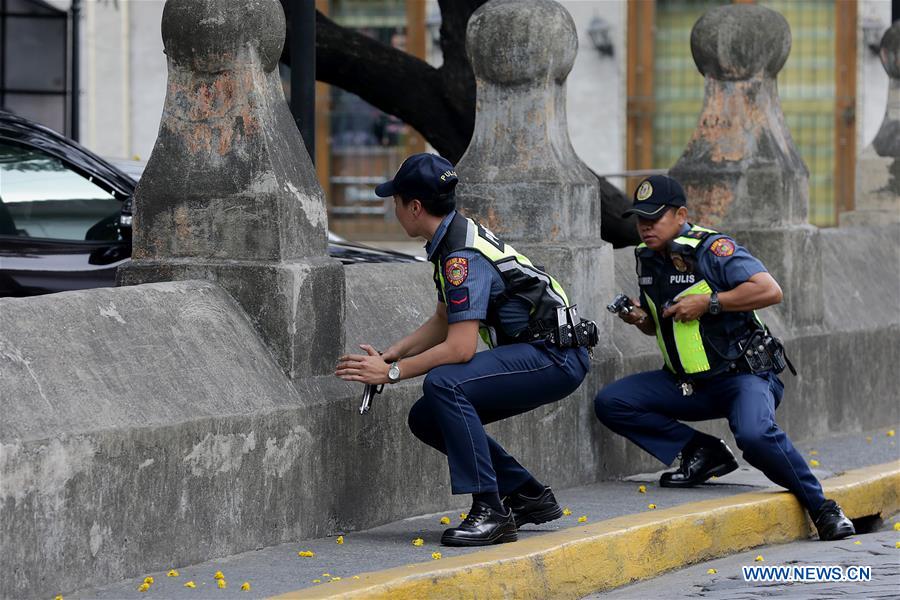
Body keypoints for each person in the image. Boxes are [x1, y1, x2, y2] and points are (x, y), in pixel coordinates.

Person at [335, 153, 592, 546]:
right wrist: (393, 354)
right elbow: (444, 321)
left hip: (554, 356)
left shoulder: (460, 257)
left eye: (396, 201)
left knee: (444, 384)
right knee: (426, 416)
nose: (394, 208)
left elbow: (460, 348)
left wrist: (390, 374)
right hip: (545, 352)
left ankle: (490, 510)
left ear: (415, 207)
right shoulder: (453, 237)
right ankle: (526, 495)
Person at [594, 175, 855, 541]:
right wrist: (640, 318)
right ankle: (703, 452)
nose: (645, 227)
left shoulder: (713, 249)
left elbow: (769, 290)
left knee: (754, 434)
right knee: (612, 402)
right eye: (640, 219)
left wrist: (710, 302)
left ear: (681, 215)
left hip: (741, 377)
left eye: (655, 219)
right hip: (687, 382)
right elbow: (660, 326)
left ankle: (823, 507)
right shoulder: (647, 258)